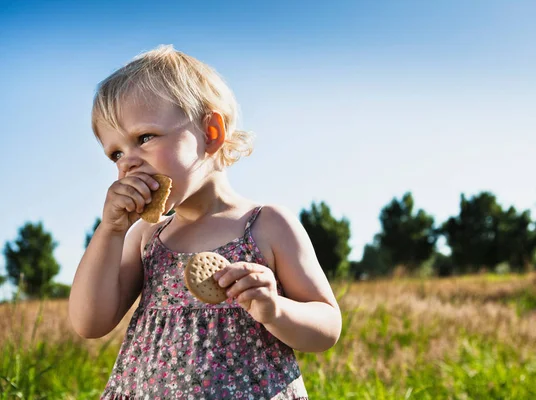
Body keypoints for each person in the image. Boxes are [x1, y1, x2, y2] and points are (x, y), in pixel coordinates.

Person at [68, 44, 342, 400]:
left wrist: (275, 310)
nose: (127, 163)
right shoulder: (147, 236)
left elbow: (327, 327)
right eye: (116, 153)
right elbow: (90, 322)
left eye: (144, 138)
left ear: (211, 133)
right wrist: (111, 230)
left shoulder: (266, 224)